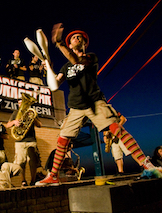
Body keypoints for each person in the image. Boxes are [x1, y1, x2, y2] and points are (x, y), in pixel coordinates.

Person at [36, 23, 155, 185]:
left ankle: (148, 166)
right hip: (76, 107)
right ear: (70, 44)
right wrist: (48, 69)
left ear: (84, 44)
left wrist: (59, 43)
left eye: (80, 38)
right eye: (73, 38)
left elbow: (75, 59)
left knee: (116, 129)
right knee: (62, 139)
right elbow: (55, 85)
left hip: (94, 102)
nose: (77, 39)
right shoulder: (66, 66)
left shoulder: (91, 57)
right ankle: (54, 176)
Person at [6, 97, 42, 186]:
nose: (21, 105)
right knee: (21, 162)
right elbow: (7, 125)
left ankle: (33, 180)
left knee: (32, 161)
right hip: (20, 141)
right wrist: (14, 122)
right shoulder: (15, 113)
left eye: (22, 102)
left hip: (31, 140)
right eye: (19, 103)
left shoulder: (31, 112)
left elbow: (40, 125)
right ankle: (23, 181)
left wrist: (34, 119)